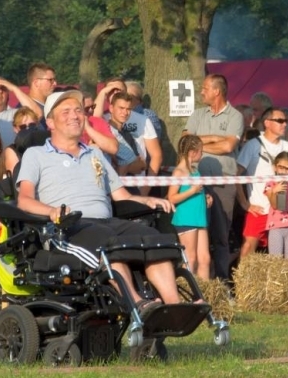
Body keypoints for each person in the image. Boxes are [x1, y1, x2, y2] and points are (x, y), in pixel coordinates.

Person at [14, 90, 186, 309]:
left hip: (106, 221)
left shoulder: (95, 154)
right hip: (68, 227)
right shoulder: (36, 155)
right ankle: (138, 304)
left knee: (153, 238)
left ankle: (175, 306)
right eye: (65, 111)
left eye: (78, 110)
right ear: (50, 122)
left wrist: (147, 202)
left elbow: (121, 195)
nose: (74, 115)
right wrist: (51, 211)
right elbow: (24, 200)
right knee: (108, 242)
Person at [186, 73, 245, 273]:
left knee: (221, 236)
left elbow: (228, 145)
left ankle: (220, 282)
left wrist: (199, 144)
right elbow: (186, 141)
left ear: (217, 91)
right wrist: (214, 138)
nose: (201, 92)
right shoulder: (197, 115)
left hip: (223, 185)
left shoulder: (235, 116)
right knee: (196, 235)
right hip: (196, 184)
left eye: (205, 88)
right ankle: (197, 281)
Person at [238, 106, 288, 258]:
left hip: (284, 212)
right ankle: (242, 282)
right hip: (260, 210)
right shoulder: (253, 145)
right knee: (248, 248)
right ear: (267, 123)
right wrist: (245, 204)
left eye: (285, 121)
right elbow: (236, 176)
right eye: (279, 120)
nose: (284, 124)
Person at [168, 133, 212, 279]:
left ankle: (204, 293)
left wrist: (205, 197)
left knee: (204, 259)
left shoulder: (195, 171)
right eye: (201, 151)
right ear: (193, 152)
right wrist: (192, 191)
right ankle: (187, 292)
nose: (202, 154)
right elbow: (172, 197)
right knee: (190, 258)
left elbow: (196, 191)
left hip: (199, 217)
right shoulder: (179, 172)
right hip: (186, 218)